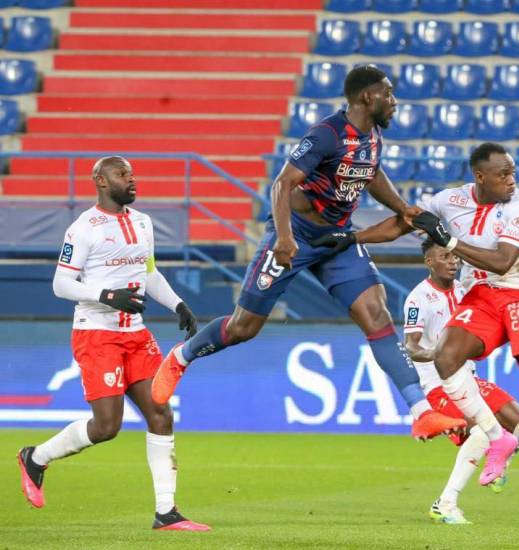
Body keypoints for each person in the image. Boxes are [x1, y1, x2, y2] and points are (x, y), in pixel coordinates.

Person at [150, 66, 465, 441]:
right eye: (388, 94)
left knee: (377, 314)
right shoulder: (326, 134)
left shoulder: (373, 135)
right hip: (296, 234)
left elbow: (370, 172)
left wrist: (400, 206)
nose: (394, 102)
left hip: (337, 240)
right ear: (367, 97)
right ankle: (181, 357)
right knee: (243, 327)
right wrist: (283, 238)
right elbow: (283, 183)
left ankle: (420, 411)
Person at [319, 143, 519, 519]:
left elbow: (504, 262)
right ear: (480, 177)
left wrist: (449, 240)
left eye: (513, 172)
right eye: (503, 175)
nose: (512, 180)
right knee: (446, 356)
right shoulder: (450, 200)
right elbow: (405, 222)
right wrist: (351, 238)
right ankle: (496, 438)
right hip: (483, 296)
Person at [16, 156, 209, 531]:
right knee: (107, 427)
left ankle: (166, 512)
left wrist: (178, 303)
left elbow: (148, 272)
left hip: (136, 334)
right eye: (122, 175)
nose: (131, 180)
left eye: (132, 174)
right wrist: (107, 295)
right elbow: (61, 284)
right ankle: (36, 457)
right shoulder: (83, 228)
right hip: (97, 334)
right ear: (100, 181)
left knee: (160, 414)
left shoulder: (142, 222)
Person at [403, 239, 519, 524]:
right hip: (439, 386)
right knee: (481, 434)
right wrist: (437, 354)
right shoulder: (418, 297)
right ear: (429, 262)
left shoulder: (468, 292)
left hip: (471, 381)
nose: (453, 261)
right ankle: (445, 503)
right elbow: (410, 346)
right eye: (444, 256)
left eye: (454, 257)